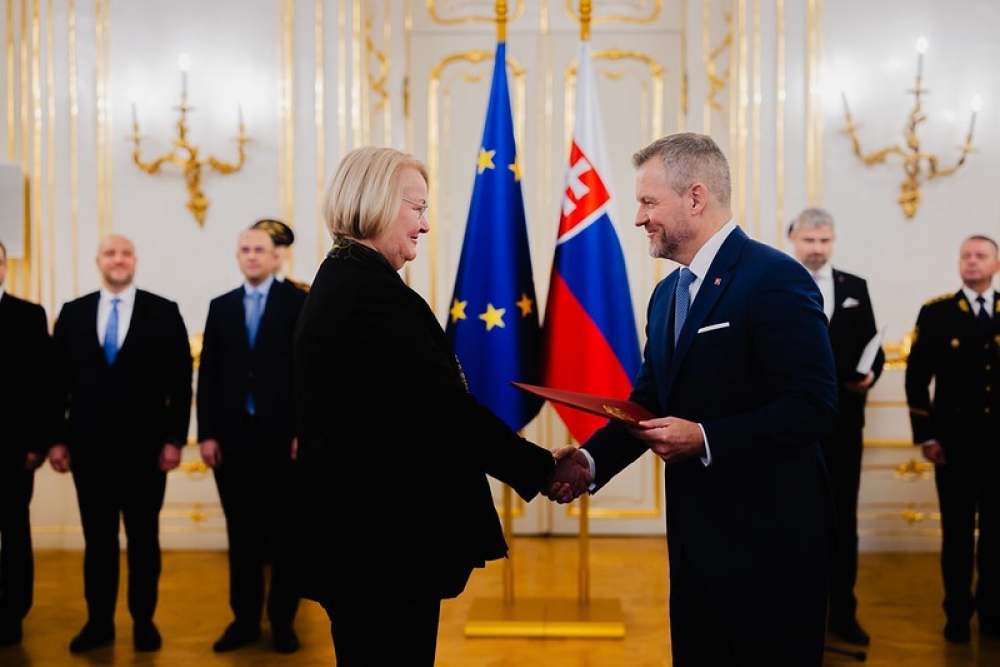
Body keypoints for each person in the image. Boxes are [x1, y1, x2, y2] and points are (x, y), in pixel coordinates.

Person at [547, 133, 839, 667]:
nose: (639, 217)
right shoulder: (667, 295)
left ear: (696, 197)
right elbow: (647, 403)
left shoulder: (775, 278)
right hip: (693, 550)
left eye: (648, 201)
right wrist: (589, 462)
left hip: (770, 549)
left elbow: (814, 407)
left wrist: (705, 439)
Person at [292, 146, 578, 667]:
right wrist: (540, 468)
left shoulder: (345, 278)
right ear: (379, 202)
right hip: (380, 548)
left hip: (364, 542)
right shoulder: (371, 295)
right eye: (417, 208)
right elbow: (446, 412)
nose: (424, 225)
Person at [46, 234, 193, 654]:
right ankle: (99, 623)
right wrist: (54, 440)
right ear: (98, 261)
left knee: (144, 541)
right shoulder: (72, 313)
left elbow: (180, 383)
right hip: (88, 452)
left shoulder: (163, 312)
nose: (118, 259)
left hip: (147, 453)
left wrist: (175, 440)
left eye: (125, 253)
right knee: (99, 543)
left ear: (135, 261)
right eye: (110, 253)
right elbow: (55, 383)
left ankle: (144, 622)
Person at [197, 226, 307, 654]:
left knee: (286, 536)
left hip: (284, 440)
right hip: (234, 440)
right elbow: (209, 375)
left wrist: (302, 430)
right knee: (241, 536)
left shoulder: (298, 303)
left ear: (277, 256)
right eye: (244, 249)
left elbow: (308, 373)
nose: (252, 256)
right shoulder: (221, 306)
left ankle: (283, 622)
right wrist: (207, 434)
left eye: (260, 249)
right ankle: (244, 621)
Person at [788, 207, 885, 647]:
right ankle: (795, 615)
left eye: (824, 240)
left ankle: (843, 613)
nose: (817, 248)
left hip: (845, 426)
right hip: (792, 427)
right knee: (793, 519)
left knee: (843, 520)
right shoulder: (775, 282)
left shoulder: (854, 287)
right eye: (810, 240)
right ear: (793, 238)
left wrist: (871, 372)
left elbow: (873, 347)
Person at [904, 234, 1000, 644]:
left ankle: (993, 614)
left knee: (996, 537)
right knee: (957, 535)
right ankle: (957, 614)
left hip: (998, 448)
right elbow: (916, 378)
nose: (972, 261)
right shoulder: (937, 313)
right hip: (954, 445)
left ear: (996, 264)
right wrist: (926, 437)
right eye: (966, 256)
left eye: (980, 256)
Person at [0, 240, 50, 647]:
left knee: (14, 533)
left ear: (5, 267)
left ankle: (12, 612)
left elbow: (42, 386)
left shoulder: (29, 315)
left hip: (13, 449)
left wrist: (38, 443)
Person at [251, 218, 310, 291]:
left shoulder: (301, 293)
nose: (272, 251)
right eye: (262, 248)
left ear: (287, 252)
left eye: (276, 245)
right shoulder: (239, 295)